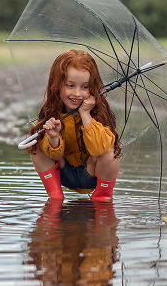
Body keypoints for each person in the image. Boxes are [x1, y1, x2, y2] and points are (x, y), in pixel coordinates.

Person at [26, 50, 121, 201]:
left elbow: (100, 149)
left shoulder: (99, 110)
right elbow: (54, 155)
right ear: (57, 85)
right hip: (64, 172)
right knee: (35, 141)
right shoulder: (52, 110)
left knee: (110, 151)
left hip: (92, 173)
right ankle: (55, 197)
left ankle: (102, 198)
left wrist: (85, 114)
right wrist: (53, 137)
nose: (77, 93)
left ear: (93, 86)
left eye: (85, 87)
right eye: (70, 85)